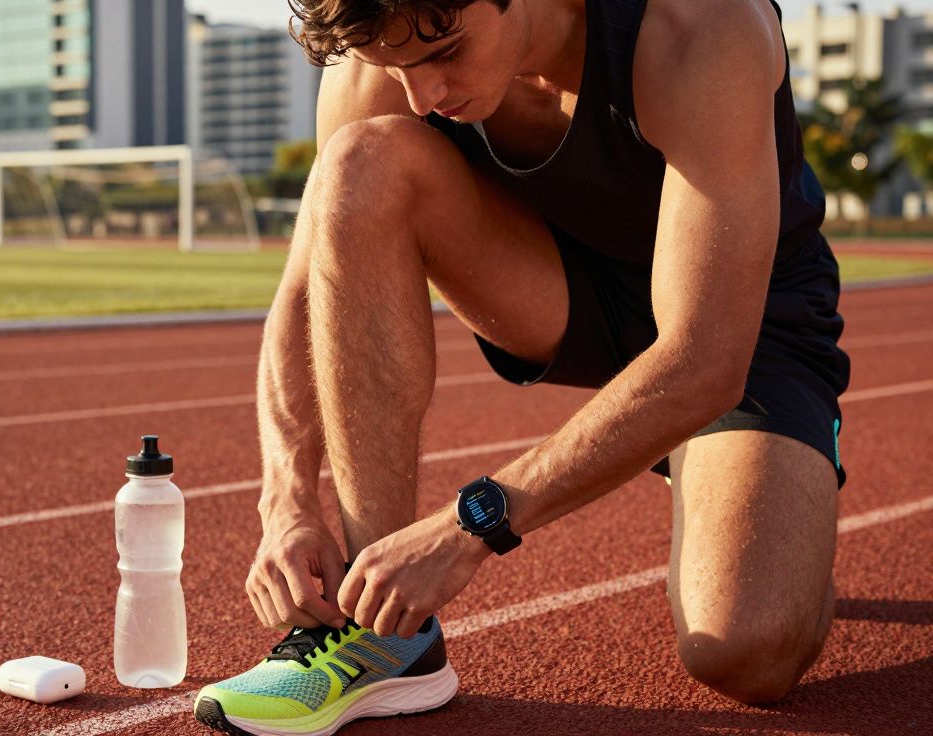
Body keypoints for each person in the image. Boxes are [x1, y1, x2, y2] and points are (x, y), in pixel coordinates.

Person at [193, 0, 850, 733]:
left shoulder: (697, 27)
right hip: (554, 287)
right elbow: (309, 284)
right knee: (358, 165)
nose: (425, 97)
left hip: (742, 322)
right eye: (396, 68)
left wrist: (472, 522)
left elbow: (703, 360)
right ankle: (380, 633)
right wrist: (285, 501)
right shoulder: (385, 50)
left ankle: (773, 491)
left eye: (445, 53)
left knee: (746, 651)